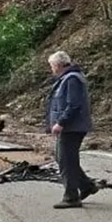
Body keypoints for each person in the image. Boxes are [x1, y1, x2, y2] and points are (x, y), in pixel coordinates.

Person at [46, 50, 98, 209]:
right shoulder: (67, 78)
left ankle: (71, 197)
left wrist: (60, 122)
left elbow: (73, 104)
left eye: (52, 66)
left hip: (72, 127)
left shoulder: (72, 79)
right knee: (63, 158)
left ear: (59, 65)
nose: (52, 69)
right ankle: (86, 186)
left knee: (66, 160)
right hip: (71, 127)